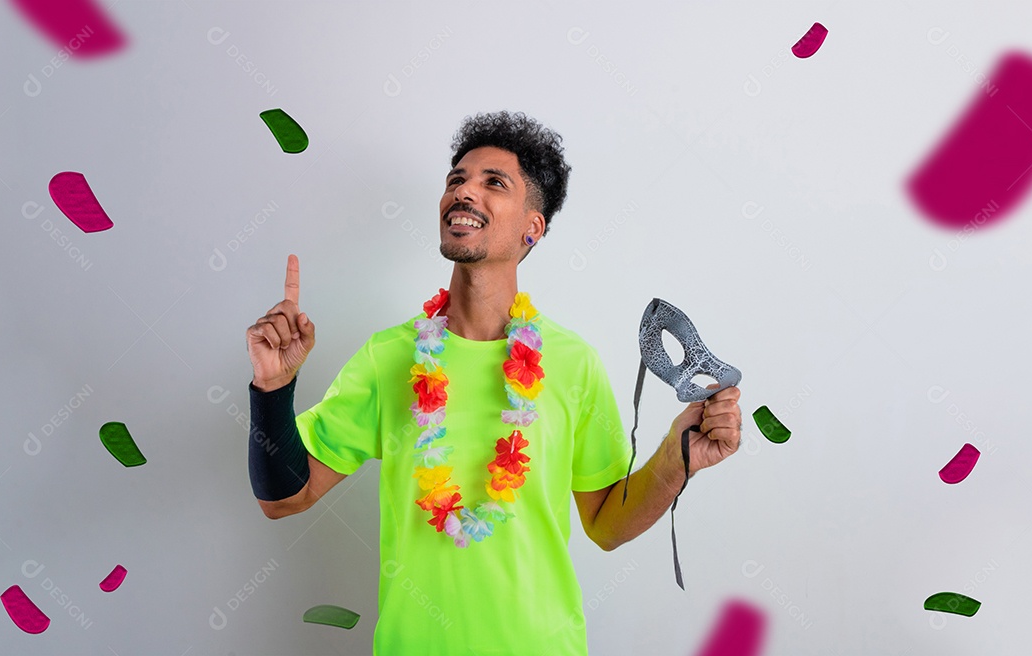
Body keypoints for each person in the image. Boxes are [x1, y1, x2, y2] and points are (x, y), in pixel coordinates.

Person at [245, 111, 743, 655]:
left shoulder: (573, 362)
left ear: (533, 227)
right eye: (456, 180)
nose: (464, 192)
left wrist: (677, 457)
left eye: (493, 183)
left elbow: (605, 524)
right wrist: (273, 389)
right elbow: (284, 498)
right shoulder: (389, 357)